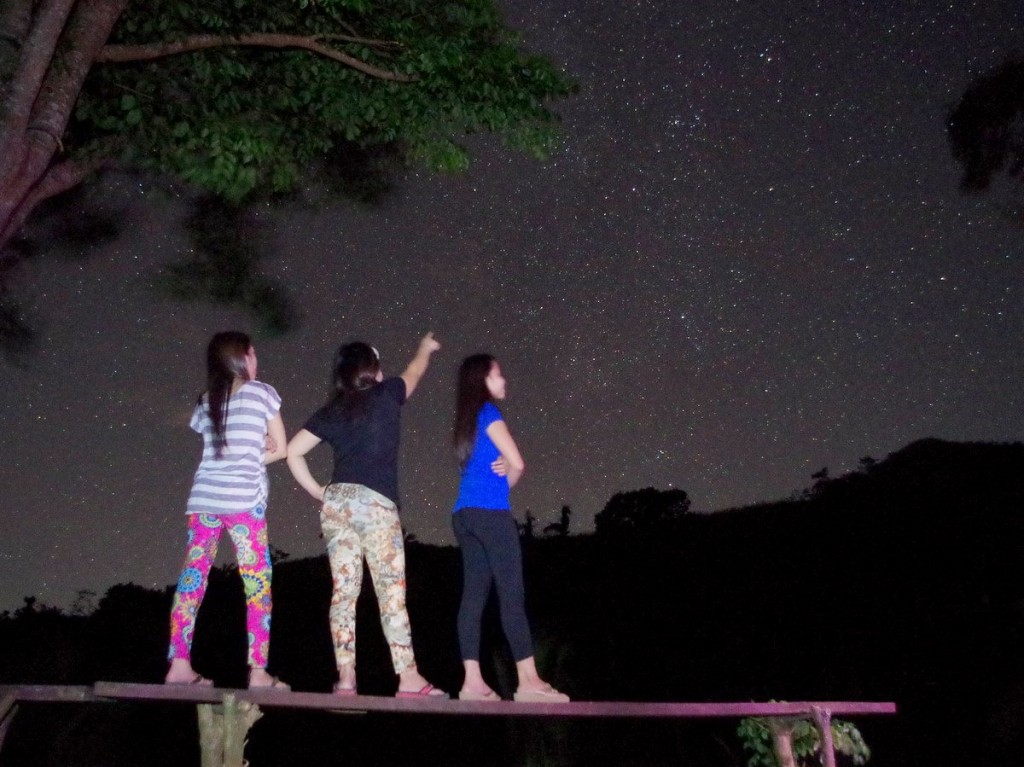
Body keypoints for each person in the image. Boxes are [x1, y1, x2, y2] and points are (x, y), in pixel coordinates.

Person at [286, 333, 447, 698]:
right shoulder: (387, 393)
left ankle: (345, 679)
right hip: (375, 504)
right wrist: (423, 349)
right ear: (371, 370)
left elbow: (293, 453)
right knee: (390, 593)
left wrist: (319, 492)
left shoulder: (332, 410)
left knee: (344, 593)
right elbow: (415, 371)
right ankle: (407, 677)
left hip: (338, 503)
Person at [165, 331, 289, 689]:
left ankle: (178, 664)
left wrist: (251, 446)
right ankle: (258, 671)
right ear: (243, 358)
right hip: (242, 502)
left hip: (203, 500)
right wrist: (258, 449)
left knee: (192, 580)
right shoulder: (263, 393)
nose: (256, 360)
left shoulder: (207, 402)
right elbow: (280, 450)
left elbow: (220, 450)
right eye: (253, 354)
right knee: (257, 583)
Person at [451, 354, 569, 702]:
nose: (504, 381)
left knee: (473, 598)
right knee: (511, 595)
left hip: (463, 515)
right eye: (499, 375)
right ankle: (529, 681)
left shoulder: (465, 423)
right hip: (491, 515)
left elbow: (482, 473)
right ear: (483, 381)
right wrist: (511, 473)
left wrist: (501, 473)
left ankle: (472, 682)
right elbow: (517, 464)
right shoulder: (489, 413)